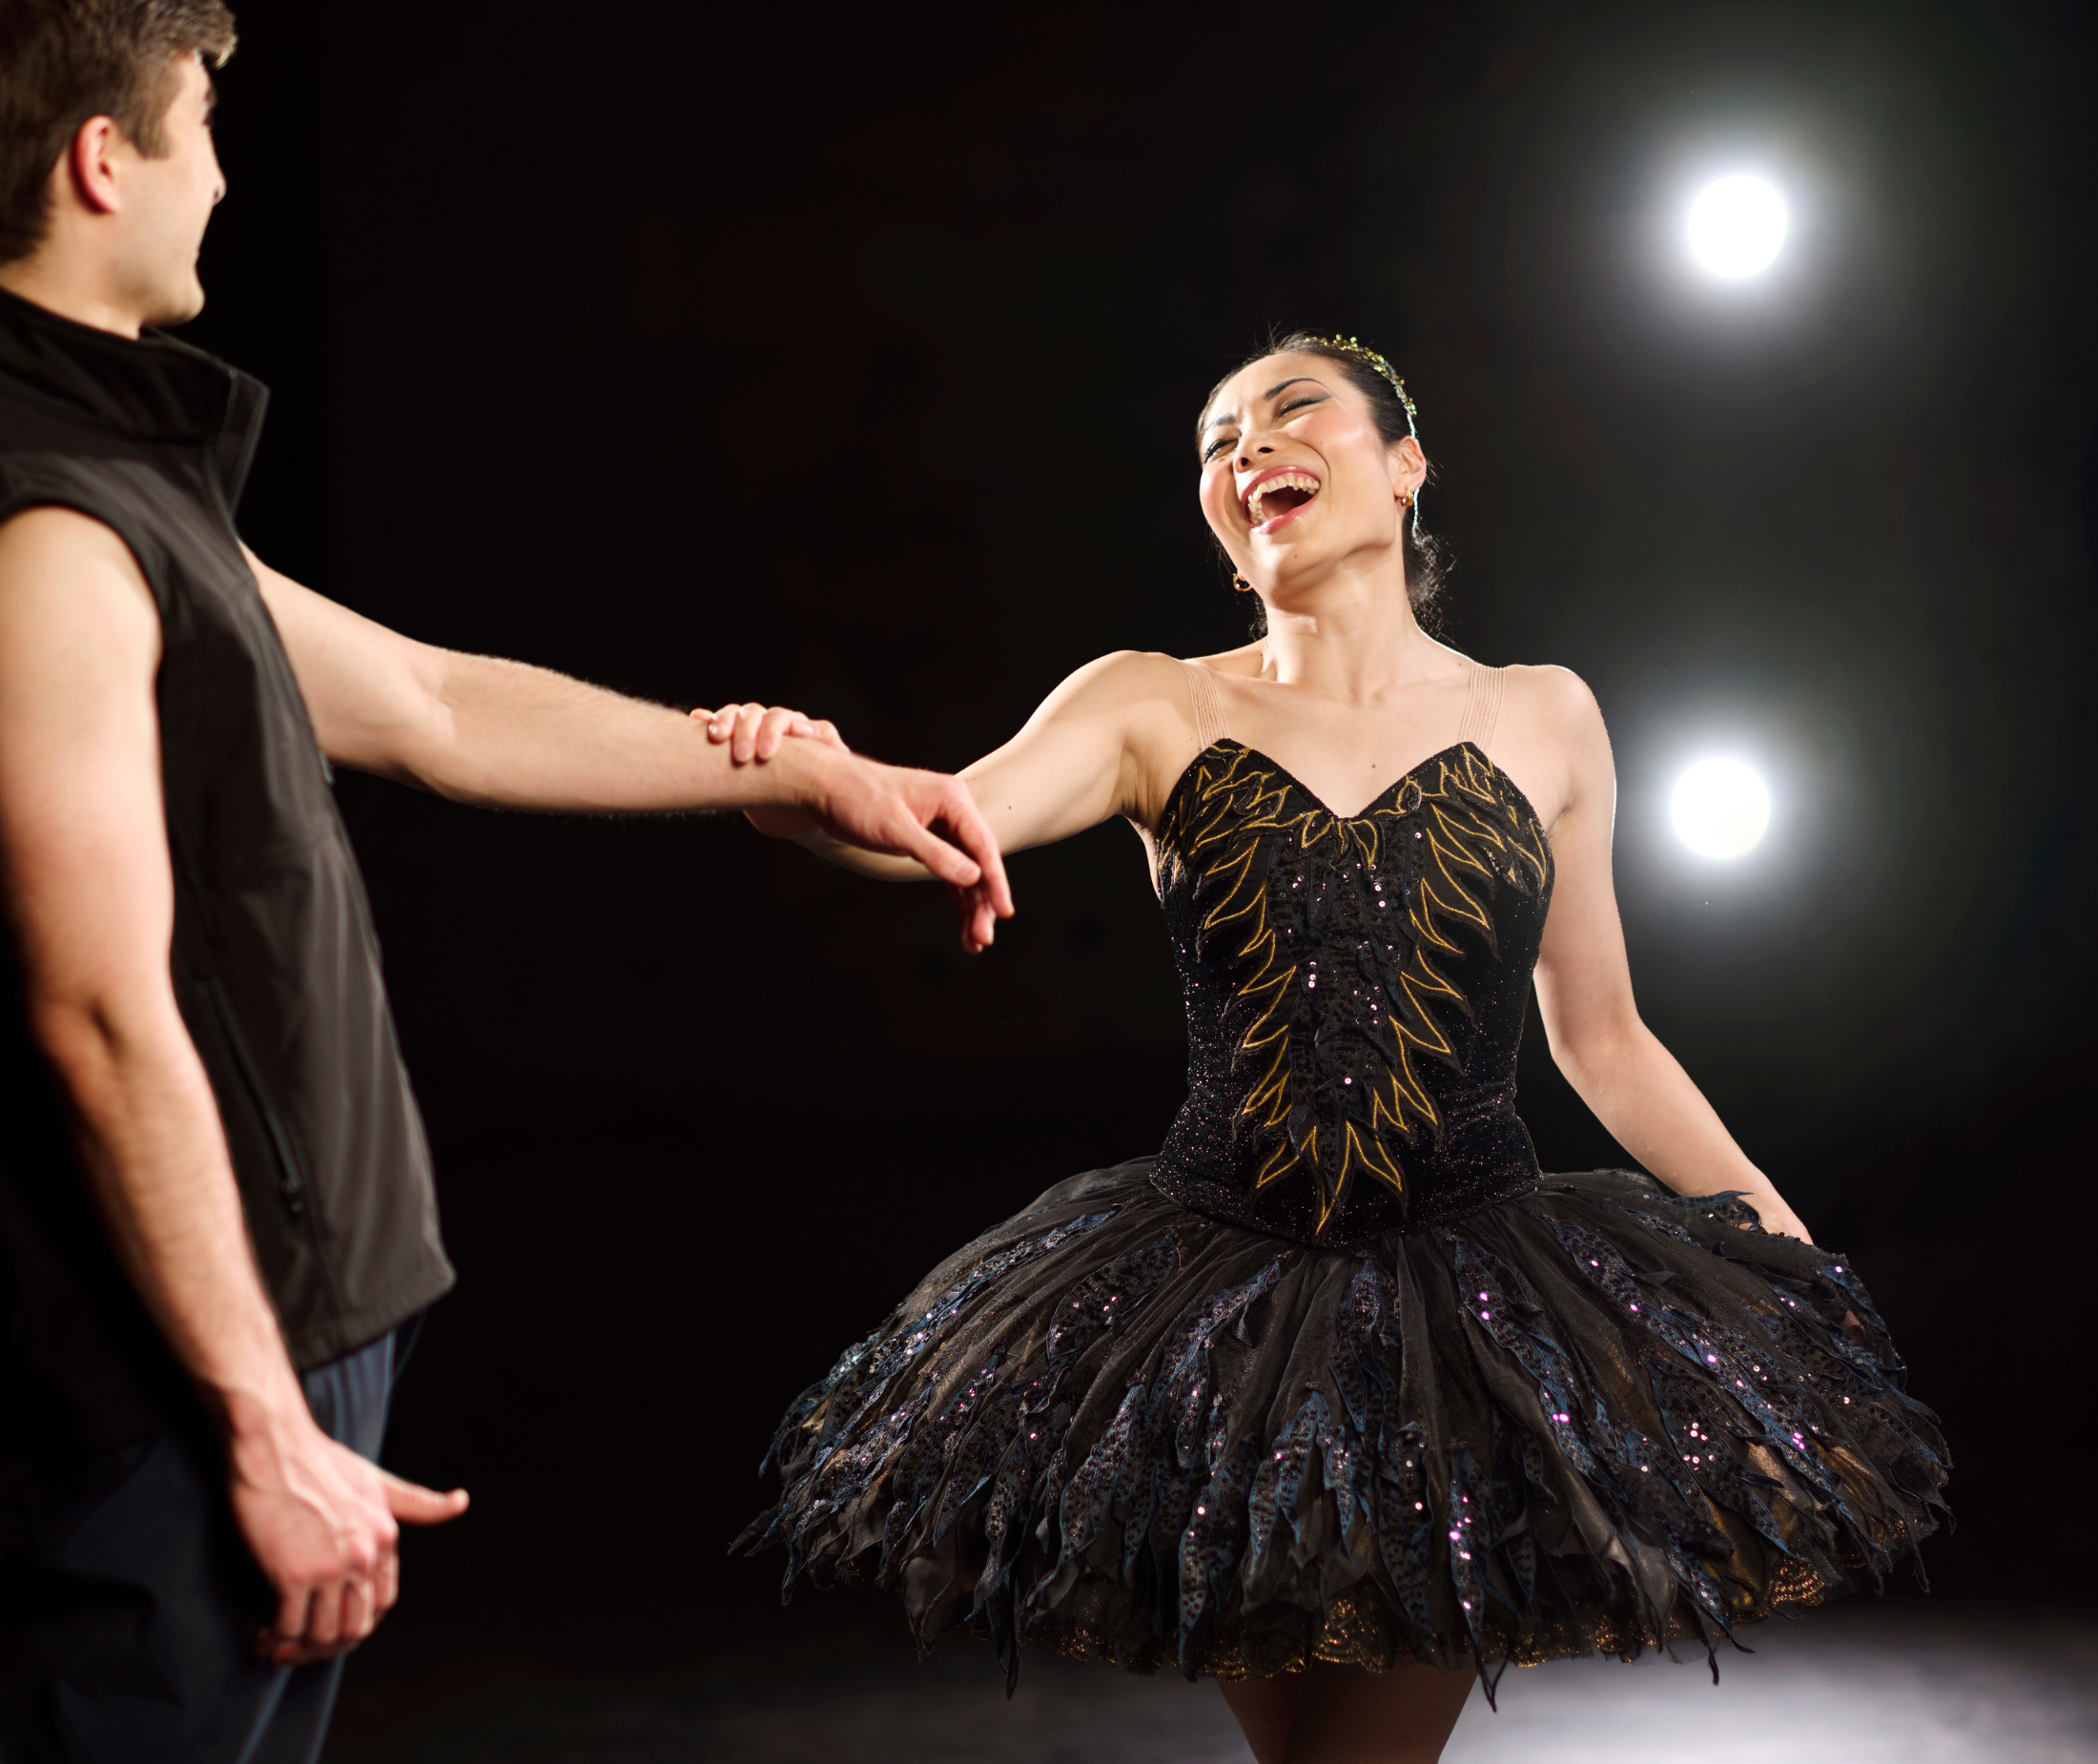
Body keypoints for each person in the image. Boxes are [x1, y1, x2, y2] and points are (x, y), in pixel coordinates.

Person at [0, 5, 1012, 1760]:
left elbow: (427, 703)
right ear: (103, 162)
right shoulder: (52, 532)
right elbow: (92, 1010)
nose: (223, 178)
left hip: (277, 1337)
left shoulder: (124, 496)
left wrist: (789, 771)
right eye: (201, 126)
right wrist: (261, 1423)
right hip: (188, 1381)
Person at [734, 331, 1949, 1764]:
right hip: (1223, 1315)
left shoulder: (1546, 713)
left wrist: (1774, 1236)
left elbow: (1602, 1035)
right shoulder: (1149, 702)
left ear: (1405, 463)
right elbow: (936, 823)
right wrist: (790, 778)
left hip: (1469, 1321)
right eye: (1217, 443)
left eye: (1292, 409)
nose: (1248, 447)